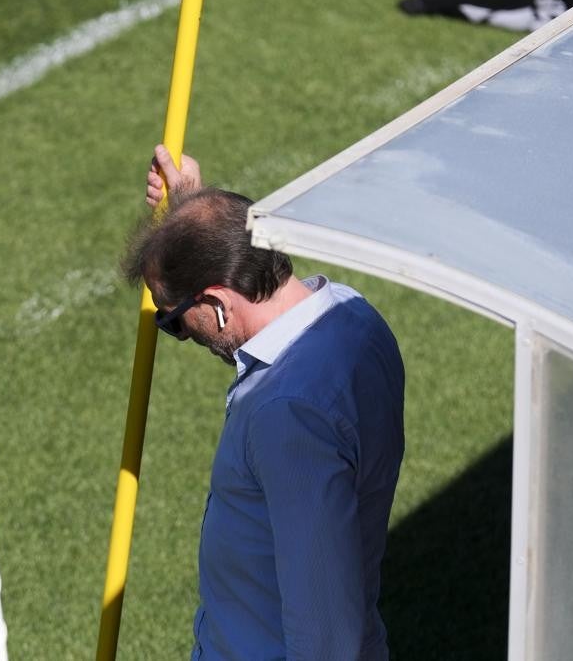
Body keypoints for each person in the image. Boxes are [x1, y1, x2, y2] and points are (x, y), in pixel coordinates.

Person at [125, 146, 406, 660]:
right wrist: (190, 206)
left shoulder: (288, 413)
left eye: (172, 322)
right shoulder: (354, 316)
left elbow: (326, 632)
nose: (178, 333)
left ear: (215, 304)